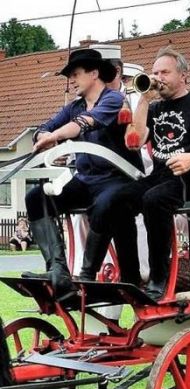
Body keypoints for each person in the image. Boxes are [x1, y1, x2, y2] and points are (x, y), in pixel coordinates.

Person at [107, 46, 190, 300]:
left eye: (165, 72)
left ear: (182, 75)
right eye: (155, 72)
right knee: (118, 199)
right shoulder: (154, 109)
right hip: (162, 177)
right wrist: (144, 100)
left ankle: (159, 277)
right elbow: (134, 140)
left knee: (154, 199)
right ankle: (130, 275)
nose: (158, 77)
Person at [23, 48, 143, 299]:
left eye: (75, 74)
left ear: (94, 73)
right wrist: (43, 135)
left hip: (120, 180)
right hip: (86, 181)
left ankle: (87, 275)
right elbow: (46, 127)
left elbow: (86, 122)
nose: (72, 81)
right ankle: (57, 270)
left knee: (106, 202)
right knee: (36, 197)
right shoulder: (74, 107)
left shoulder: (114, 100)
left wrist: (55, 136)